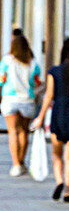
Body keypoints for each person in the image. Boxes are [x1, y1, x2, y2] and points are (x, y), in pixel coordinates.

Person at [31, 38, 69, 203]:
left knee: (56, 154)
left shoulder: (54, 72)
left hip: (59, 111)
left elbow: (48, 96)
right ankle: (68, 192)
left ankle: (59, 181)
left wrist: (40, 117)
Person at [0, 31, 43, 177]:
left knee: (13, 131)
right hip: (27, 100)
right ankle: (22, 161)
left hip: (10, 99)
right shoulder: (33, 63)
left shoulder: (6, 60)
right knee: (24, 131)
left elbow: (1, 79)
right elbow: (36, 82)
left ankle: (16, 165)